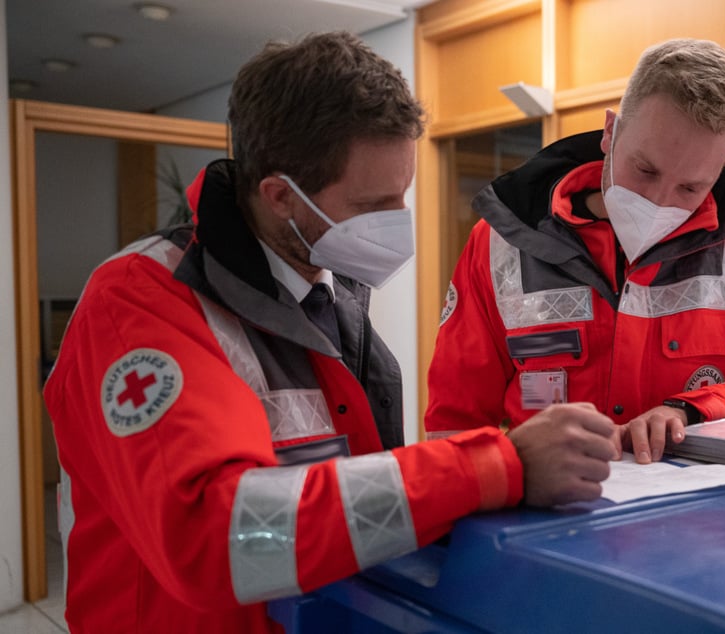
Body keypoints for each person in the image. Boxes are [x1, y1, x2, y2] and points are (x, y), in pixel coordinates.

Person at [43, 31, 618, 633]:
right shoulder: (140, 301)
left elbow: (353, 497)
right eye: (373, 204)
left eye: (403, 195)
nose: (397, 224)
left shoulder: (329, 287)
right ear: (279, 196)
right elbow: (214, 537)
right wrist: (495, 466)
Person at [425, 38, 725, 464]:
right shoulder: (502, 240)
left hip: (709, 514)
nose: (661, 200)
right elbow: (455, 418)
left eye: (691, 187)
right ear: (611, 132)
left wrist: (696, 410)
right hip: (548, 515)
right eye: (645, 170)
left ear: (722, 167)